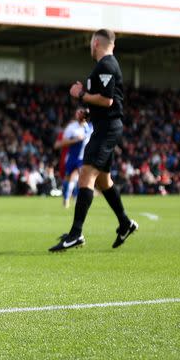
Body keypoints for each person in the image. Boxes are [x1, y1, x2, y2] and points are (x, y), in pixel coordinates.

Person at [50, 29, 138, 252]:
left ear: (96, 42)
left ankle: (75, 234)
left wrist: (80, 94)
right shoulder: (106, 65)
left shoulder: (106, 65)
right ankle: (125, 223)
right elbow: (108, 103)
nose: (90, 47)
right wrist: (88, 113)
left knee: (86, 174)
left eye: (91, 43)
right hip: (104, 125)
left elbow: (107, 101)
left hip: (107, 130)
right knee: (103, 181)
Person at [54, 108, 93, 208]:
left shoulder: (90, 127)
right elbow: (61, 142)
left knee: (83, 179)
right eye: (78, 113)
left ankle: (78, 200)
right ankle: (66, 198)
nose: (79, 115)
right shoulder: (72, 127)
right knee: (69, 177)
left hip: (84, 158)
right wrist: (75, 140)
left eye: (81, 113)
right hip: (72, 156)